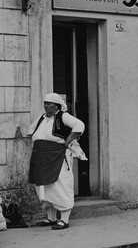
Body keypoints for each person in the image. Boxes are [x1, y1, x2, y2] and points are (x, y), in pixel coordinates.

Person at [28, 93, 85, 230]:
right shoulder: (42, 118)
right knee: (44, 187)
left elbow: (79, 125)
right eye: (45, 103)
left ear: (57, 105)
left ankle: (64, 219)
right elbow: (31, 131)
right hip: (41, 158)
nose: (46, 105)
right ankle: (51, 218)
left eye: (49, 103)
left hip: (57, 156)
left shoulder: (63, 116)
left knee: (60, 185)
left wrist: (68, 140)